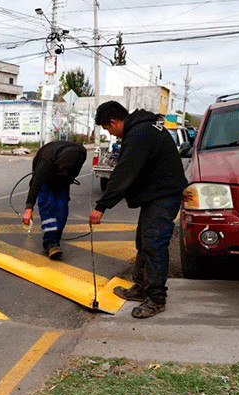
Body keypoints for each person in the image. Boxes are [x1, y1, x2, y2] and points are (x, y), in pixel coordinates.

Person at [89, 101, 188, 319]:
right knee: (143, 242)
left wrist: (101, 206)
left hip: (163, 196)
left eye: (108, 129)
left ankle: (156, 299)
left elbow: (124, 172)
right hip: (158, 194)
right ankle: (141, 287)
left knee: (154, 244)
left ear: (114, 122)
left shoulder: (139, 134)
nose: (112, 134)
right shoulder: (145, 127)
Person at [21, 141, 87, 260]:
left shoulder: (81, 154)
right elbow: (36, 183)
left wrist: (65, 177)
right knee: (48, 207)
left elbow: (72, 174)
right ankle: (51, 243)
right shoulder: (47, 159)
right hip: (45, 178)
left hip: (64, 180)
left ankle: (55, 238)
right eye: (60, 167)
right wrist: (29, 207)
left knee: (62, 210)